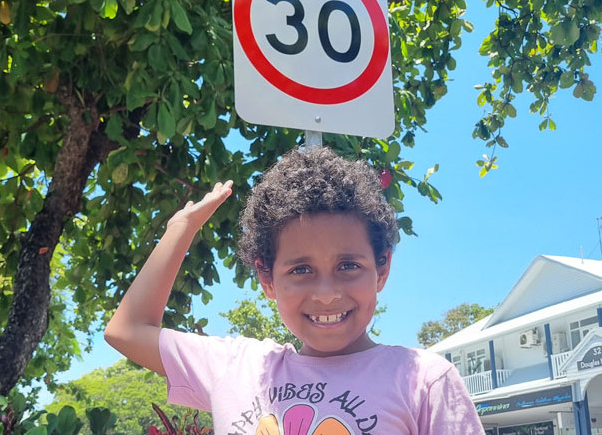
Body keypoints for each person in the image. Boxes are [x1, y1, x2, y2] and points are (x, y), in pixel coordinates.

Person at [105, 146, 484, 435]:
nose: (326, 293)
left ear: (382, 269)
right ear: (267, 279)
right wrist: (181, 228)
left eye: (348, 266)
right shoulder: (235, 368)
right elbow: (127, 330)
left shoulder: (424, 380)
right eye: (301, 269)